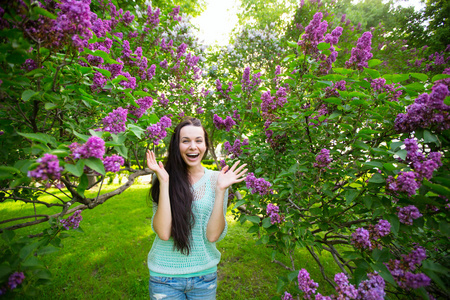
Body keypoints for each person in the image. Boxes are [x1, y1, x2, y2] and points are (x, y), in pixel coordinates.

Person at [146, 117, 247, 300]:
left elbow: (213, 236)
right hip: (164, 278)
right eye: (186, 141)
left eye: (198, 141)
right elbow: (163, 233)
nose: (193, 146)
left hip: (204, 277)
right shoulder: (162, 178)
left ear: (206, 146)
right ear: (177, 146)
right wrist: (165, 182)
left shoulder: (218, 179)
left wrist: (220, 190)